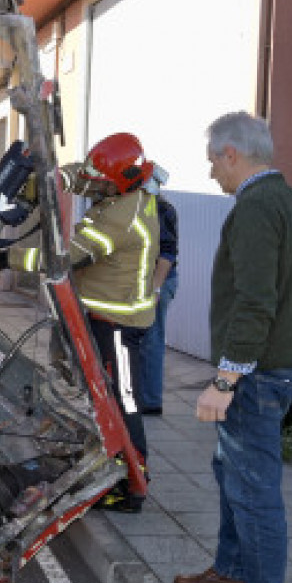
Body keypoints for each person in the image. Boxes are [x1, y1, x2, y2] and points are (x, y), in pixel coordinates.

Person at [173, 111, 292, 583]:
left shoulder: (256, 209)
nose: (212, 175)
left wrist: (226, 380)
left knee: (254, 491)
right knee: (229, 469)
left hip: (255, 375)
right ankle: (232, 570)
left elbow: (256, 301)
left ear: (232, 153)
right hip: (278, 367)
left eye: (213, 162)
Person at [0, 132, 159, 512]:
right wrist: (51, 176)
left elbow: (65, 257)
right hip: (102, 318)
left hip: (120, 324)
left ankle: (132, 483)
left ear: (121, 182)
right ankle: (109, 463)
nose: (94, 185)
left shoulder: (120, 218)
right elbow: (84, 177)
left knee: (123, 402)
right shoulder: (120, 191)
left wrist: (6, 258)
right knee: (101, 399)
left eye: (102, 181)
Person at [137, 165, 179, 415]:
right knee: (141, 341)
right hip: (146, 280)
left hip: (159, 280)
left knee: (151, 341)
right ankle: (142, 396)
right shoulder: (142, 207)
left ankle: (151, 401)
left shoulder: (161, 209)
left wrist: (154, 290)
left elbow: (167, 254)